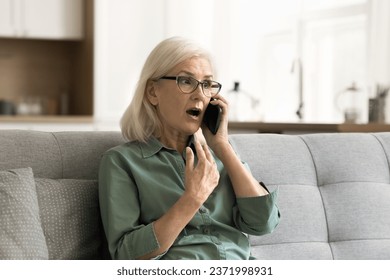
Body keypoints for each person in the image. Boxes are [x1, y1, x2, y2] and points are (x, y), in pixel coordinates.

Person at [98, 37, 280, 260]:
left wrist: (222, 146)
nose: (199, 94)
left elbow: (263, 223)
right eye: (186, 81)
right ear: (153, 92)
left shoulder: (220, 155)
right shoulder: (122, 162)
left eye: (207, 84)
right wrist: (192, 198)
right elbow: (126, 254)